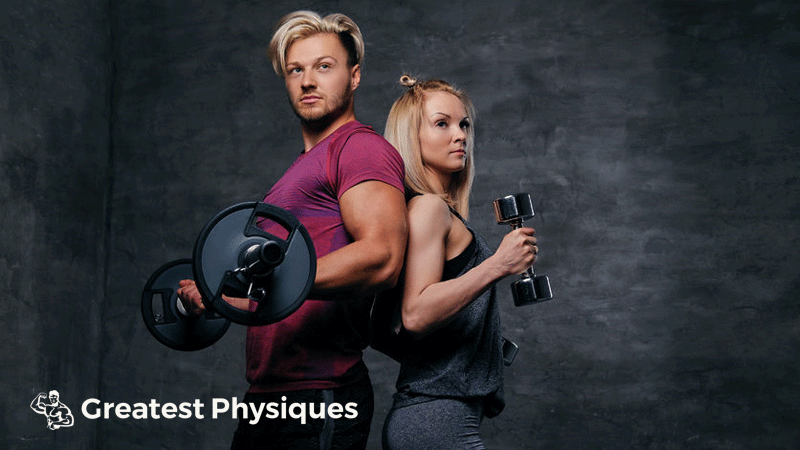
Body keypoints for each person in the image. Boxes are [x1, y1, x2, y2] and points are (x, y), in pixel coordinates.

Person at [177, 11, 408, 450]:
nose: (307, 80)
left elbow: (382, 258)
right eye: (295, 69)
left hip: (321, 393)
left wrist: (269, 287)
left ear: (354, 76)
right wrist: (223, 299)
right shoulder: (300, 170)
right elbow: (281, 290)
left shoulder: (358, 148)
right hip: (269, 396)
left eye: (324, 66)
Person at [379, 75, 538, 450]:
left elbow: (380, 330)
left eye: (464, 124)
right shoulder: (429, 208)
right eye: (442, 123)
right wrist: (498, 264)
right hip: (437, 420)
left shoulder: (434, 211)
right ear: (411, 137)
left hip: (432, 417)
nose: (460, 135)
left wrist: (470, 347)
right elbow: (415, 315)